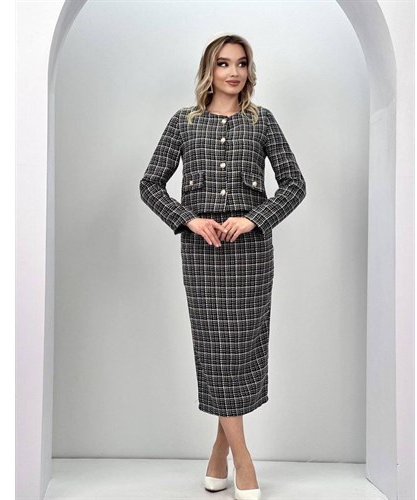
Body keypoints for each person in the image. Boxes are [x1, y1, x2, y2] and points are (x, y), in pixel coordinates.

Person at [139, 33, 306, 500]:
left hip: (251, 255)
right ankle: (243, 457)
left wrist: (254, 218)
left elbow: (294, 184)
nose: (234, 72)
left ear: (249, 70)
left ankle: (219, 452)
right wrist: (188, 219)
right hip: (202, 255)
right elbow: (150, 184)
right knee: (216, 349)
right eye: (224, 63)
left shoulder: (262, 121)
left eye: (242, 63)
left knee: (241, 350)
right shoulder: (183, 122)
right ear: (208, 71)